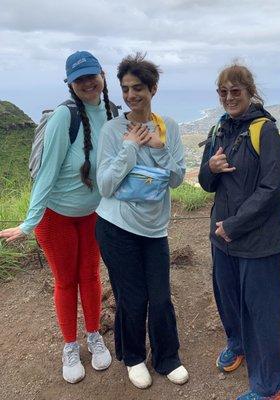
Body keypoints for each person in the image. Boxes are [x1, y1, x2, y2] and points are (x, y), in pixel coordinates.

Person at [0, 51, 113, 383]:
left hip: (92, 216)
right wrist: (29, 223)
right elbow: (46, 175)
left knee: (90, 276)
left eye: (92, 76)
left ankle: (93, 334)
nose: (88, 83)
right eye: (79, 79)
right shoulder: (65, 117)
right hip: (55, 217)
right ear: (70, 85)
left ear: (103, 75)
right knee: (67, 281)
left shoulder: (110, 114)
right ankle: (69, 345)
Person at [198, 63, 280, 400]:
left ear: (250, 92)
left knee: (260, 313)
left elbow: (272, 187)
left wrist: (234, 226)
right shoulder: (219, 129)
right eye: (222, 92)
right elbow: (207, 184)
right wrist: (210, 167)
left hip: (258, 240)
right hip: (222, 237)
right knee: (228, 300)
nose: (228, 98)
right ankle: (237, 345)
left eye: (235, 91)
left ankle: (271, 387)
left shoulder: (264, 130)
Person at [95, 53, 188, 389]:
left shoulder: (170, 127)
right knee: (132, 297)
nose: (132, 95)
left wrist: (160, 147)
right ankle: (133, 357)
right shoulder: (113, 129)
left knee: (160, 296)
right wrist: (130, 148)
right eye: (125, 89)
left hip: (153, 228)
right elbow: (105, 185)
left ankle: (167, 357)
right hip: (116, 226)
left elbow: (176, 179)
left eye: (138, 88)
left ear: (153, 89)